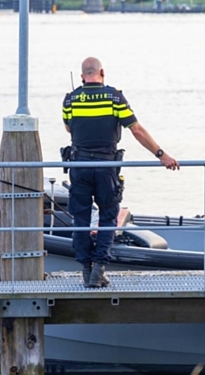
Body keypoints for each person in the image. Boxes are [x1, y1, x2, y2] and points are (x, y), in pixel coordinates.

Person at [62, 57, 179, 288]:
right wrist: (161, 154)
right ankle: (99, 269)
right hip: (106, 167)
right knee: (107, 216)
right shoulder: (115, 97)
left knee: (81, 219)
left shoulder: (70, 99)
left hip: (79, 166)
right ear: (102, 73)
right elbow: (136, 130)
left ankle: (86, 270)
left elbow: (68, 127)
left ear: (82, 75)